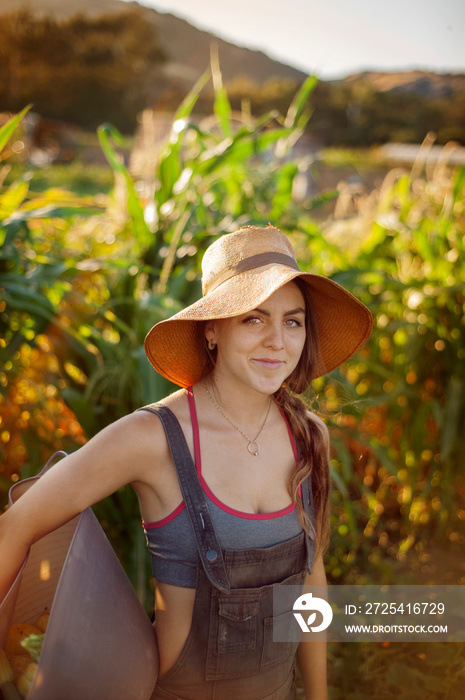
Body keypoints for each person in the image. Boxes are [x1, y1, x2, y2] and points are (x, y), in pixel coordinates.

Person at [0, 225, 372, 700]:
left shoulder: (308, 435)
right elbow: (16, 526)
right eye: (254, 319)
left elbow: (311, 582)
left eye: (293, 321)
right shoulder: (152, 437)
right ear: (212, 330)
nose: (277, 341)